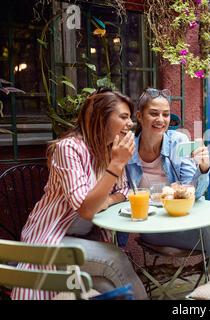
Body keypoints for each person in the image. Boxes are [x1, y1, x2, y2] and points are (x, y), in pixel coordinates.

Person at [11, 88, 147, 300]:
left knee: (105, 283)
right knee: (115, 260)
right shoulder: (69, 149)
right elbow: (85, 209)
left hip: (88, 237)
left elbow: (124, 191)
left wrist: (106, 199)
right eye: (123, 117)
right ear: (101, 118)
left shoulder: (108, 149)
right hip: (52, 236)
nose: (130, 123)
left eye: (130, 118)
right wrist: (117, 163)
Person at [126, 88, 210, 272]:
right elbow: (120, 191)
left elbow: (194, 192)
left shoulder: (178, 141)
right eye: (153, 113)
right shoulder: (127, 147)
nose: (161, 120)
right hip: (151, 227)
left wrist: (203, 169)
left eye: (166, 114)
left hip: (182, 221)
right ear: (139, 115)